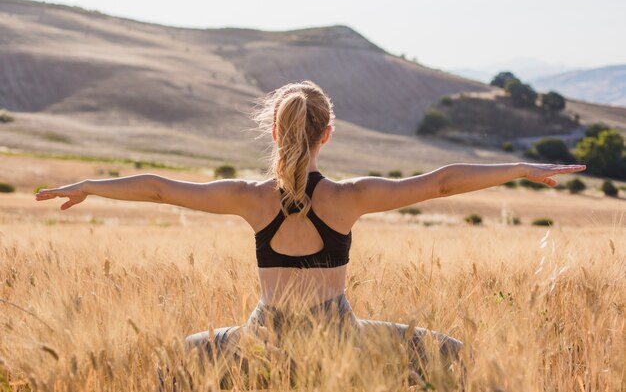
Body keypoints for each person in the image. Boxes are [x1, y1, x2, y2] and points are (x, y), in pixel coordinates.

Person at [35, 80, 586, 388]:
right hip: (342, 337)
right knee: (453, 356)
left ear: (274, 132)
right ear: (328, 133)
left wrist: (90, 184)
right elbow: (441, 182)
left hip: (261, 338)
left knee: (171, 364)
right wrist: (518, 170)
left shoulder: (249, 198)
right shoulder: (350, 198)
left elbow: (158, 188)